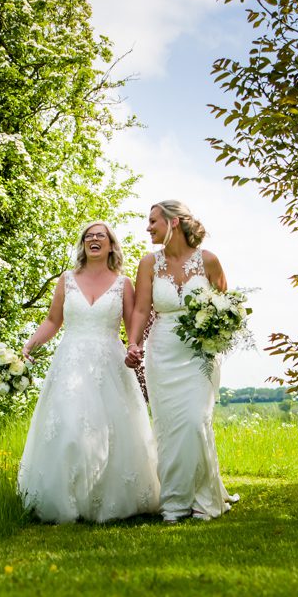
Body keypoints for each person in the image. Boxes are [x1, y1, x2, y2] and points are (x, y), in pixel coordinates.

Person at [17, 221, 159, 523]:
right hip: (70, 362)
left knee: (110, 430)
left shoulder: (123, 283)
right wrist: (30, 344)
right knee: (69, 424)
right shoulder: (66, 280)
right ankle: (68, 499)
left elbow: (131, 322)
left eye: (101, 236)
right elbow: (53, 322)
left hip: (109, 363)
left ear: (110, 245)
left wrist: (134, 346)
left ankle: (104, 499)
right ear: (83, 244)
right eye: (89, 236)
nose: (94, 240)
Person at [125, 200, 237, 522]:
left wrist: (216, 333)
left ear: (173, 222)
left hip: (199, 355)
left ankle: (203, 500)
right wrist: (134, 343)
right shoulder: (149, 263)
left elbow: (226, 306)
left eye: (153, 222)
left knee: (194, 421)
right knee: (169, 428)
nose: (148, 228)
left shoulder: (209, 261)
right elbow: (143, 310)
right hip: (162, 352)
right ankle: (174, 502)